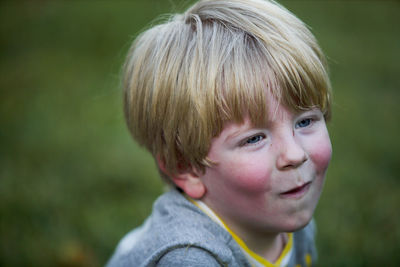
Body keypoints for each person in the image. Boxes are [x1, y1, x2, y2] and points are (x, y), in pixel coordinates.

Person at [107, 0, 332, 266]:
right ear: (186, 167)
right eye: (254, 138)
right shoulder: (188, 256)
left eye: (304, 122)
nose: (295, 154)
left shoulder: (289, 205)